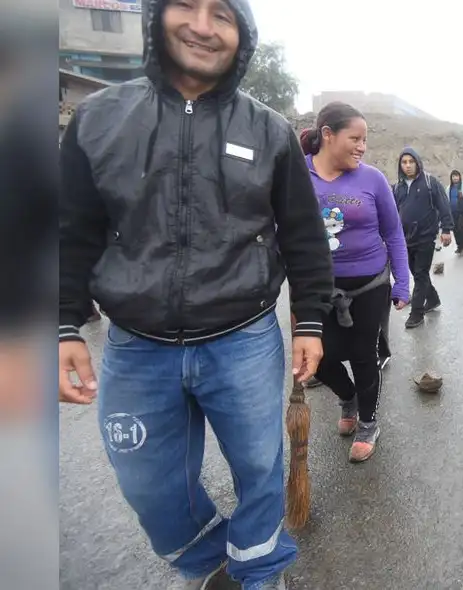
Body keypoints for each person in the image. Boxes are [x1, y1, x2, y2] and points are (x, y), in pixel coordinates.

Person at [57, 0, 332, 587]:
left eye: (222, 15)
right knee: (149, 488)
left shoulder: (269, 131)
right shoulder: (99, 118)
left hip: (244, 339)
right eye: (185, 5)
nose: (202, 25)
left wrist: (309, 322)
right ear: (156, 17)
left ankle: (258, 574)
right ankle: (211, 563)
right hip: (136, 347)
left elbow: (305, 237)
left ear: (243, 36)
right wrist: (59, 323)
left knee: (260, 470)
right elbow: (69, 230)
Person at [300, 102, 410, 462]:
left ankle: (367, 421)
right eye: (355, 138)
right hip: (318, 287)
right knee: (323, 357)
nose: (362, 146)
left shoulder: (373, 179)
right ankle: (347, 396)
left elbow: (393, 233)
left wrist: (402, 281)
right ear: (327, 135)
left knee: (364, 355)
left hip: (369, 284)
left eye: (365, 139)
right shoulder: (299, 175)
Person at [393, 148, 454, 329]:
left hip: (426, 236)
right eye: (404, 162)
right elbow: (393, 213)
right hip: (406, 238)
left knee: (420, 274)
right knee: (416, 272)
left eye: (411, 162)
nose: (408, 166)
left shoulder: (430, 182)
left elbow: (443, 206)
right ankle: (433, 299)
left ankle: (417, 314)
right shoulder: (398, 187)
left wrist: (446, 229)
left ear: (417, 162)